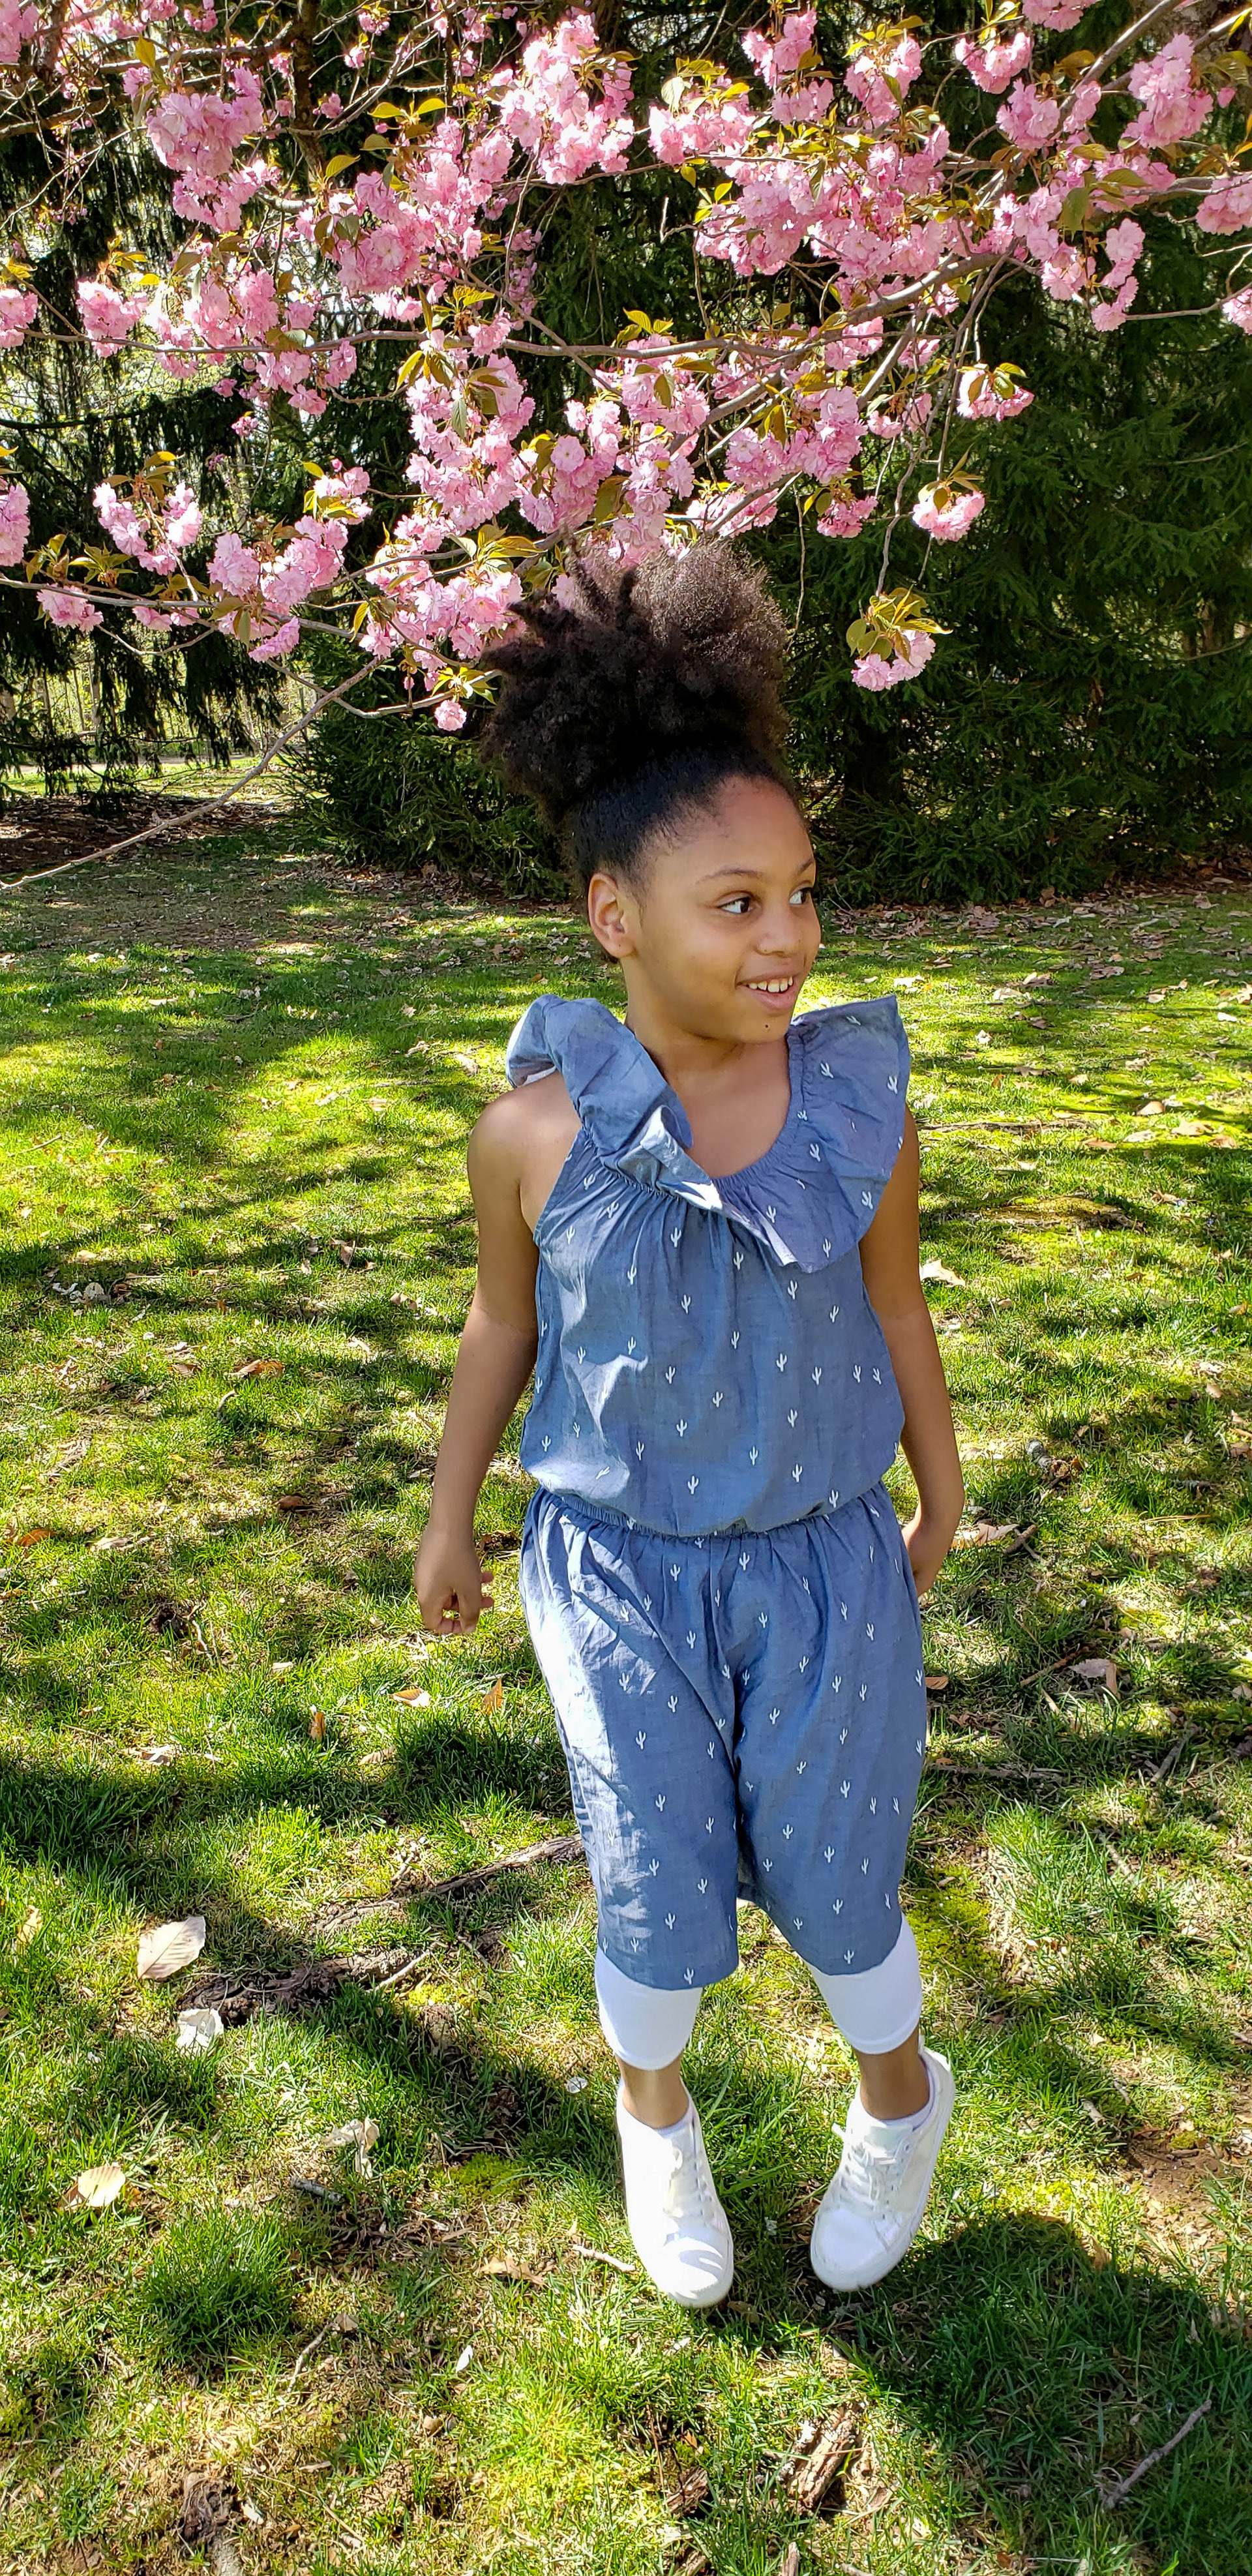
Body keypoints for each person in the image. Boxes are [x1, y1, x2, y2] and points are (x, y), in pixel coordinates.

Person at [415, 546, 965, 2310]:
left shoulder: (857, 1105)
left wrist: (940, 1487)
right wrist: (449, 1518)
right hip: (616, 1576)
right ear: (614, 918)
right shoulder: (532, 1136)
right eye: (736, 904)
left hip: (823, 1568)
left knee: (839, 1881)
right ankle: (655, 2121)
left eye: (801, 894)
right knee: (649, 1882)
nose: (786, 936)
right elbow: (504, 1328)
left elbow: (896, 1305)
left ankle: (902, 2098)